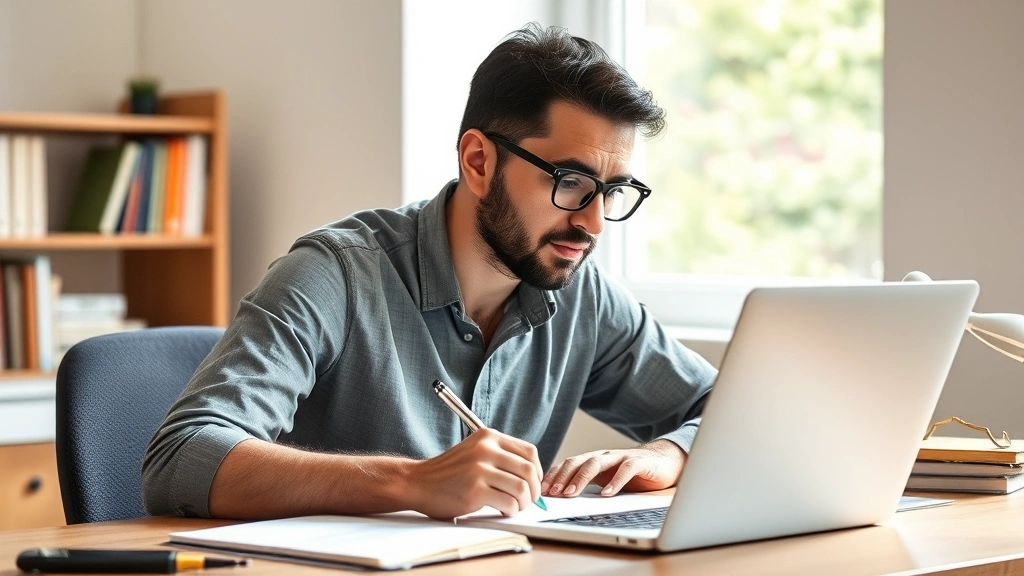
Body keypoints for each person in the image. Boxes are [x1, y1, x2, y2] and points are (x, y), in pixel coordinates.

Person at [142, 23, 716, 521]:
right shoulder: (333, 275)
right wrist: (411, 484)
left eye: (613, 192)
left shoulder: (581, 296)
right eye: (570, 184)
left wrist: (669, 455)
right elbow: (181, 457)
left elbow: (725, 407)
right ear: (478, 161)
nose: (594, 223)